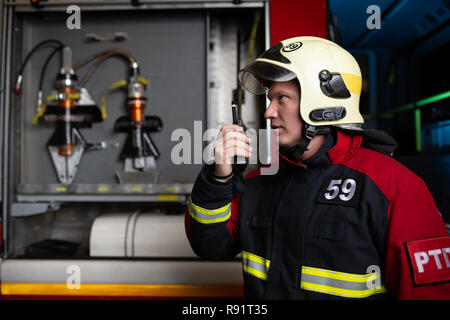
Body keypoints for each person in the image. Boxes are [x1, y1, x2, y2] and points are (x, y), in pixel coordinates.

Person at [185, 36, 450, 299]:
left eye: (282, 99)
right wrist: (219, 178)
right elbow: (211, 247)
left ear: (323, 105)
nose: (268, 113)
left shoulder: (394, 187)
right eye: (269, 100)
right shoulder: (260, 180)